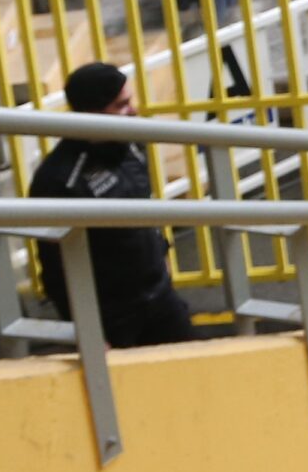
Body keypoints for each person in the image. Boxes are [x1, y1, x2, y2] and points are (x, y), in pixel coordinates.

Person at [26, 62, 196, 349]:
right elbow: (55, 269)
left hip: (161, 299)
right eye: (121, 105)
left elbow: (146, 211)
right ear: (91, 113)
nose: (133, 112)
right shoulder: (59, 178)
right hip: (113, 318)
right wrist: (87, 331)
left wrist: (162, 255)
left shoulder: (131, 148)